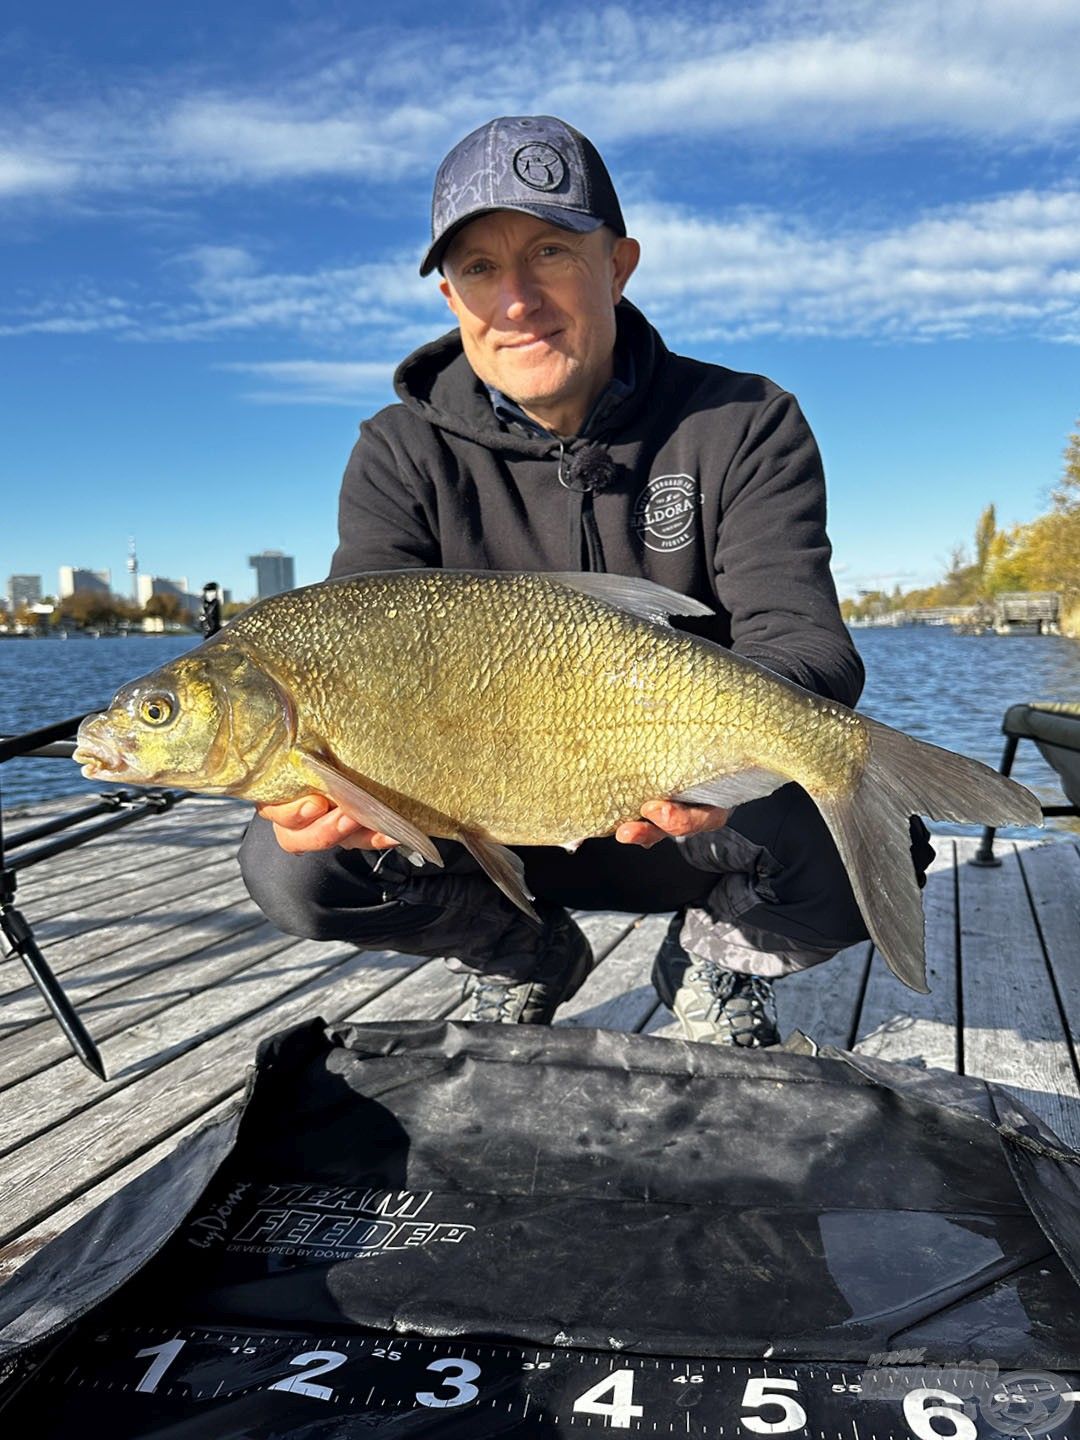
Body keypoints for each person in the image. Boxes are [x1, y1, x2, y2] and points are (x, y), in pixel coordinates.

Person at [239, 114, 931, 1045]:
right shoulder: (397, 450)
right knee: (292, 865)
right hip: (484, 830)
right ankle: (519, 949)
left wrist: (713, 761)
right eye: (479, 268)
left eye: (551, 251)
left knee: (870, 834)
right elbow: (360, 633)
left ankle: (720, 956)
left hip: (689, 821)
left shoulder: (746, 418)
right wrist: (335, 799)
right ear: (450, 296)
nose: (515, 298)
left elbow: (807, 645)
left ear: (619, 264)